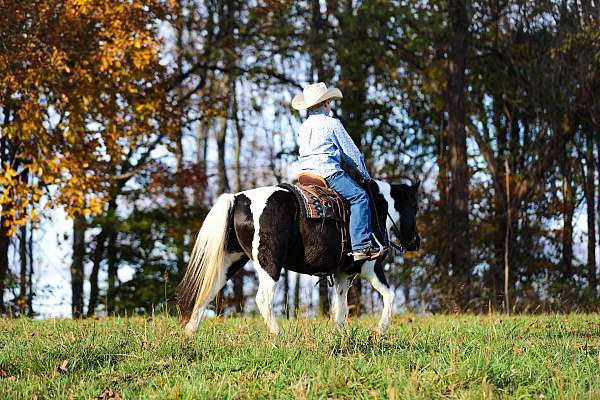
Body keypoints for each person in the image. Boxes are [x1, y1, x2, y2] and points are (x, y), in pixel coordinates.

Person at [292, 82, 381, 261]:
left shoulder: (303, 127)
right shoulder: (332, 124)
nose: (329, 105)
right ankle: (361, 246)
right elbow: (352, 154)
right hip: (327, 172)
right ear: (325, 103)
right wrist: (365, 175)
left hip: (304, 175)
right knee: (359, 197)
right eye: (329, 102)